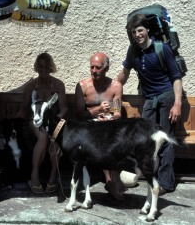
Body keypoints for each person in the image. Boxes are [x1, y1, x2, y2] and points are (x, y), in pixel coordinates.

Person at [117, 14, 183, 195]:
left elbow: (176, 78)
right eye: (134, 32)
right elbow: (124, 74)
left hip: (166, 97)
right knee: (145, 139)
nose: (137, 34)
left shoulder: (163, 48)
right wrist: (113, 90)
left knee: (165, 139)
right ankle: (146, 174)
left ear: (147, 30)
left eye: (140, 30)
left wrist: (177, 104)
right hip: (149, 100)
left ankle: (165, 183)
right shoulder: (133, 51)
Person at [75, 52, 126, 200]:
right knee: (103, 141)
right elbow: (79, 114)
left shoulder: (116, 86)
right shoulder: (83, 86)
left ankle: (112, 180)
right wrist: (98, 110)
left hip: (108, 125)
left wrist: (108, 117)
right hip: (87, 128)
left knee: (109, 139)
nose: (94, 71)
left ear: (106, 68)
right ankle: (112, 181)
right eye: (91, 67)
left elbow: (117, 113)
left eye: (97, 68)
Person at [17, 52, 68, 194]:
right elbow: (23, 110)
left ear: (51, 68)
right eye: (41, 67)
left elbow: (64, 108)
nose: (44, 70)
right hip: (35, 122)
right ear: (37, 68)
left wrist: (55, 120)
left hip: (53, 120)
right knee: (44, 135)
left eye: (47, 67)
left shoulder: (58, 85)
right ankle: (35, 175)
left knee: (55, 136)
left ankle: (53, 176)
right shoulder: (31, 86)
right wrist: (16, 126)